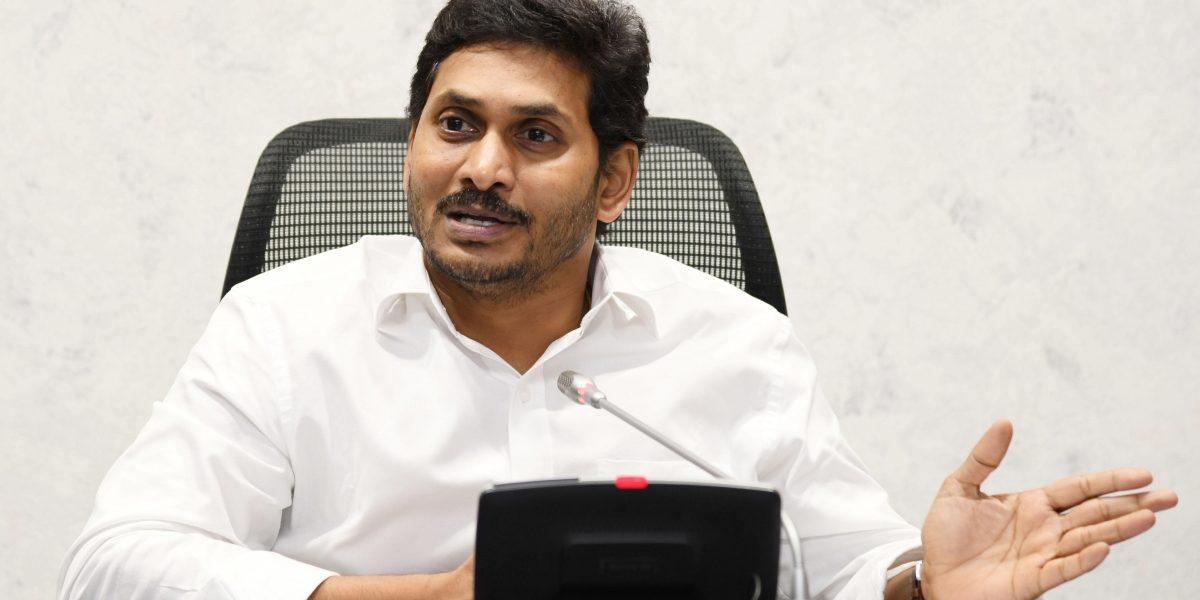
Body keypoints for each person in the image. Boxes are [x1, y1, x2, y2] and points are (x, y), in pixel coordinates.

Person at [59, 0, 1178, 599]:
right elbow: (114, 564)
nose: (482, 168)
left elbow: (836, 565)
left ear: (616, 182)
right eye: (456, 124)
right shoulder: (283, 326)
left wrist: (927, 590)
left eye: (535, 136)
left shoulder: (734, 346)